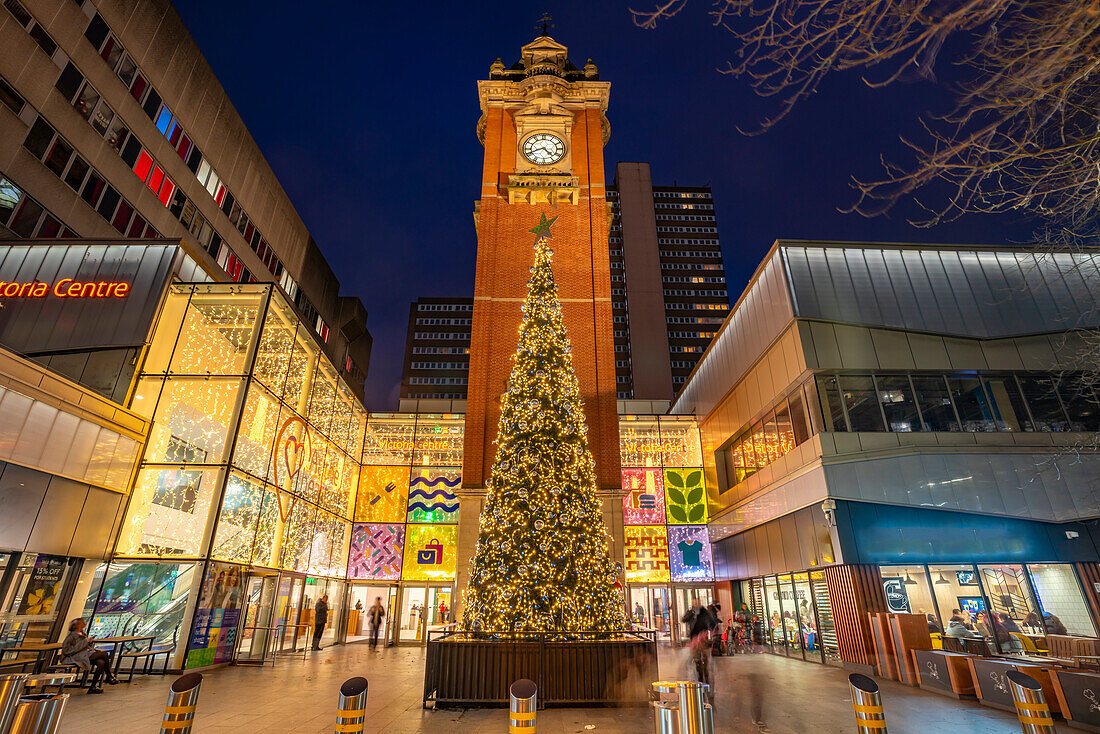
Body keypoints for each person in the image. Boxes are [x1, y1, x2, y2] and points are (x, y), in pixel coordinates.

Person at [61, 619, 119, 694]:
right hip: (74, 657)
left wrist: (90, 642)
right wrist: (85, 642)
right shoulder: (71, 637)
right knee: (104, 654)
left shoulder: (83, 634)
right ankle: (109, 676)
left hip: (84, 655)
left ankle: (93, 686)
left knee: (101, 662)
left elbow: (85, 646)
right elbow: (67, 651)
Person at [682, 598, 717, 688]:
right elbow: (683, 619)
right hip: (694, 639)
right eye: (694, 603)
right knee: (697, 659)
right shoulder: (691, 613)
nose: (695, 605)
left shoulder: (704, 613)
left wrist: (709, 630)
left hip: (702, 639)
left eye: (696, 603)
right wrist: (690, 613)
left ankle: (705, 676)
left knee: (704, 658)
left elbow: (711, 623)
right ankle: (700, 675)